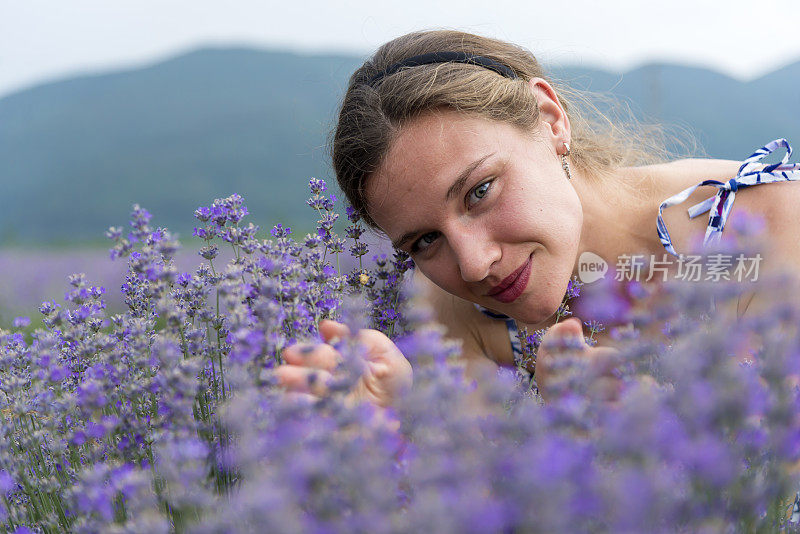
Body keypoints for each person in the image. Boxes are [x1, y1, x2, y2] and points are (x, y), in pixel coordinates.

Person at [274, 29, 800, 409]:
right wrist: (399, 432)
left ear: (550, 119)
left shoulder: (768, 226)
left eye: (479, 191)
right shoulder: (450, 313)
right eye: (425, 241)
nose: (476, 265)